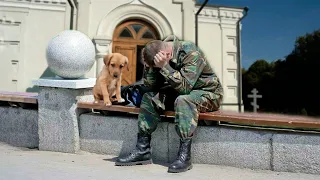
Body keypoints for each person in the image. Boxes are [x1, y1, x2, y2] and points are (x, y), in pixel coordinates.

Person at [115, 35, 224, 173]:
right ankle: (143, 150)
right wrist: (149, 68)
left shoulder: (191, 53)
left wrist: (165, 66)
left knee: (184, 100)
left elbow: (185, 88)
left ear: (166, 54)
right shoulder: (157, 54)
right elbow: (150, 87)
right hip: (180, 92)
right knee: (149, 97)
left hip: (209, 94)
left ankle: (185, 156)